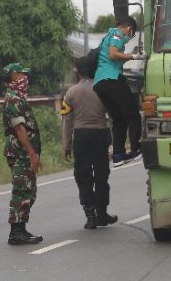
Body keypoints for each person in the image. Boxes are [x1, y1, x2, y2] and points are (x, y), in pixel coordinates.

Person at [62, 57, 118, 229]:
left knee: (83, 176)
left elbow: (67, 121)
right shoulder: (103, 89)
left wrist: (66, 145)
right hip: (100, 135)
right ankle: (102, 214)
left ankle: (90, 215)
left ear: (77, 72)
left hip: (81, 137)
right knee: (102, 175)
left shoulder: (71, 93)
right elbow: (115, 117)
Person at [93, 16, 146, 166]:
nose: (130, 38)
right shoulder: (117, 34)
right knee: (133, 114)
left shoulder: (107, 37)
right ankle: (136, 149)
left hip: (100, 83)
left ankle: (118, 155)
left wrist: (130, 57)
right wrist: (134, 56)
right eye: (132, 34)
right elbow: (113, 53)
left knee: (119, 119)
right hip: (111, 79)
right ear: (129, 29)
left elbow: (114, 57)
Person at [1, 63, 43, 245]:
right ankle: (16, 232)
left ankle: (21, 229)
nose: (26, 79)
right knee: (22, 190)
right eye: (23, 75)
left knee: (29, 190)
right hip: (20, 152)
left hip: (22, 152)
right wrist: (32, 154)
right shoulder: (14, 99)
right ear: (16, 76)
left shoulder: (17, 97)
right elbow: (19, 129)